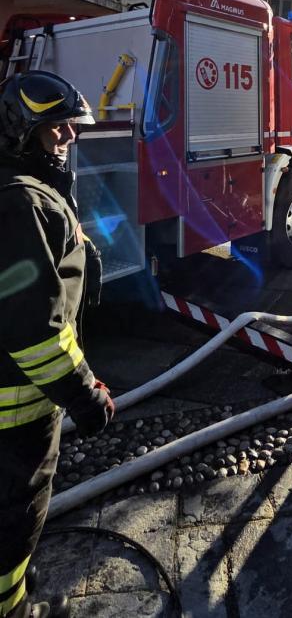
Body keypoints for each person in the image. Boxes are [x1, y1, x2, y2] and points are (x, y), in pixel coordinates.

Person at [0, 71, 115, 617]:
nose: (70, 136)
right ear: (24, 131)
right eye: (58, 127)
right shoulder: (21, 203)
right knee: (13, 519)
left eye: (72, 126)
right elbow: (33, 329)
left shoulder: (23, 190)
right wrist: (85, 395)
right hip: (14, 416)